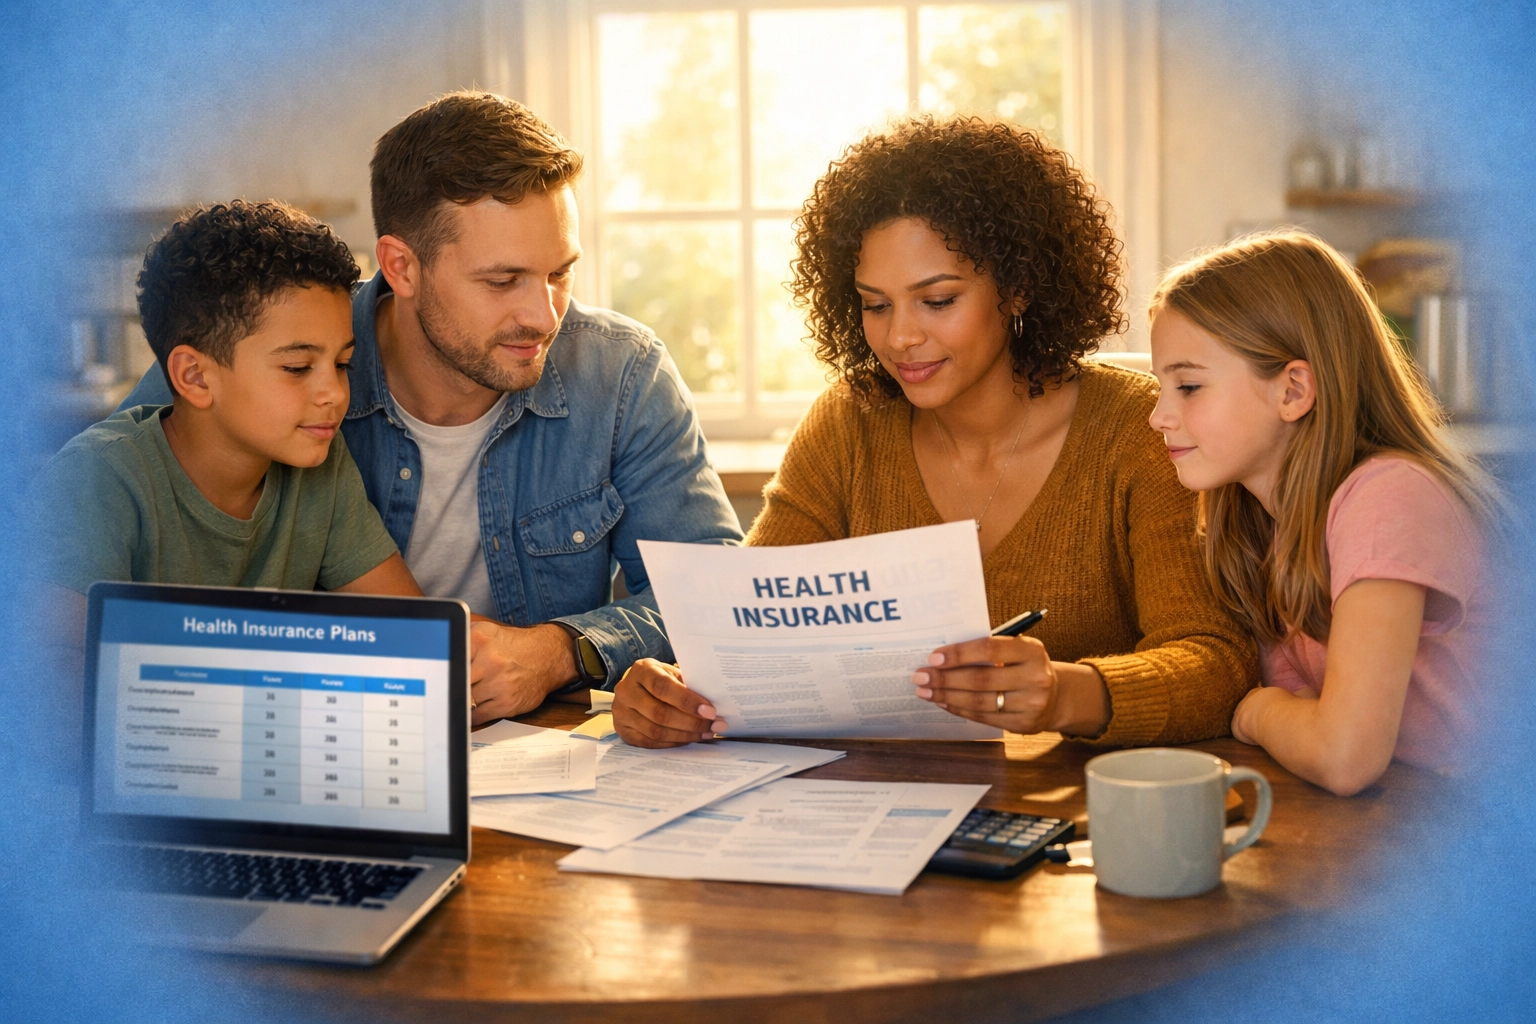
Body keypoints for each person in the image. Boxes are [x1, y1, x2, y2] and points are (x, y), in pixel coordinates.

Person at [612, 115, 1258, 748]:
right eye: (875, 304)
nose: (900, 337)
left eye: (938, 300)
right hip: (874, 807)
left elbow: (1216, 661)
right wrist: (669, 692)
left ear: (1019, 286)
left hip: (1074, 827)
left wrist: (1068, 693)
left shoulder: (1139, 430)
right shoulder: (850, 423)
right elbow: (742, 641)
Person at [117, 92, 743, 724]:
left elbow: (715, 600)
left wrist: (560, 650)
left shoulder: (623, 372)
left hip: (540, 759)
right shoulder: (273, 354)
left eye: (559, 273)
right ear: (401, 266)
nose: (544, 316)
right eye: (502, 281)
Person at [1147, 231, 1496, 795]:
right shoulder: (1255, 521)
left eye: (1188, 386)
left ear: (1293, 390)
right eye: (1162, 387)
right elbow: (1312, 723)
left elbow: (1344, 757)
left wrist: (1259, 710)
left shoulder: (1390, 496)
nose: (1159, 416)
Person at [35, 199, 422, 622]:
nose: (334, 393)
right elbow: (57, 672)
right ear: (196, 377)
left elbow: (413, 627)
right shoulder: (97, 481)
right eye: (297, 368)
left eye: (342, 364)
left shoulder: (320, 466)